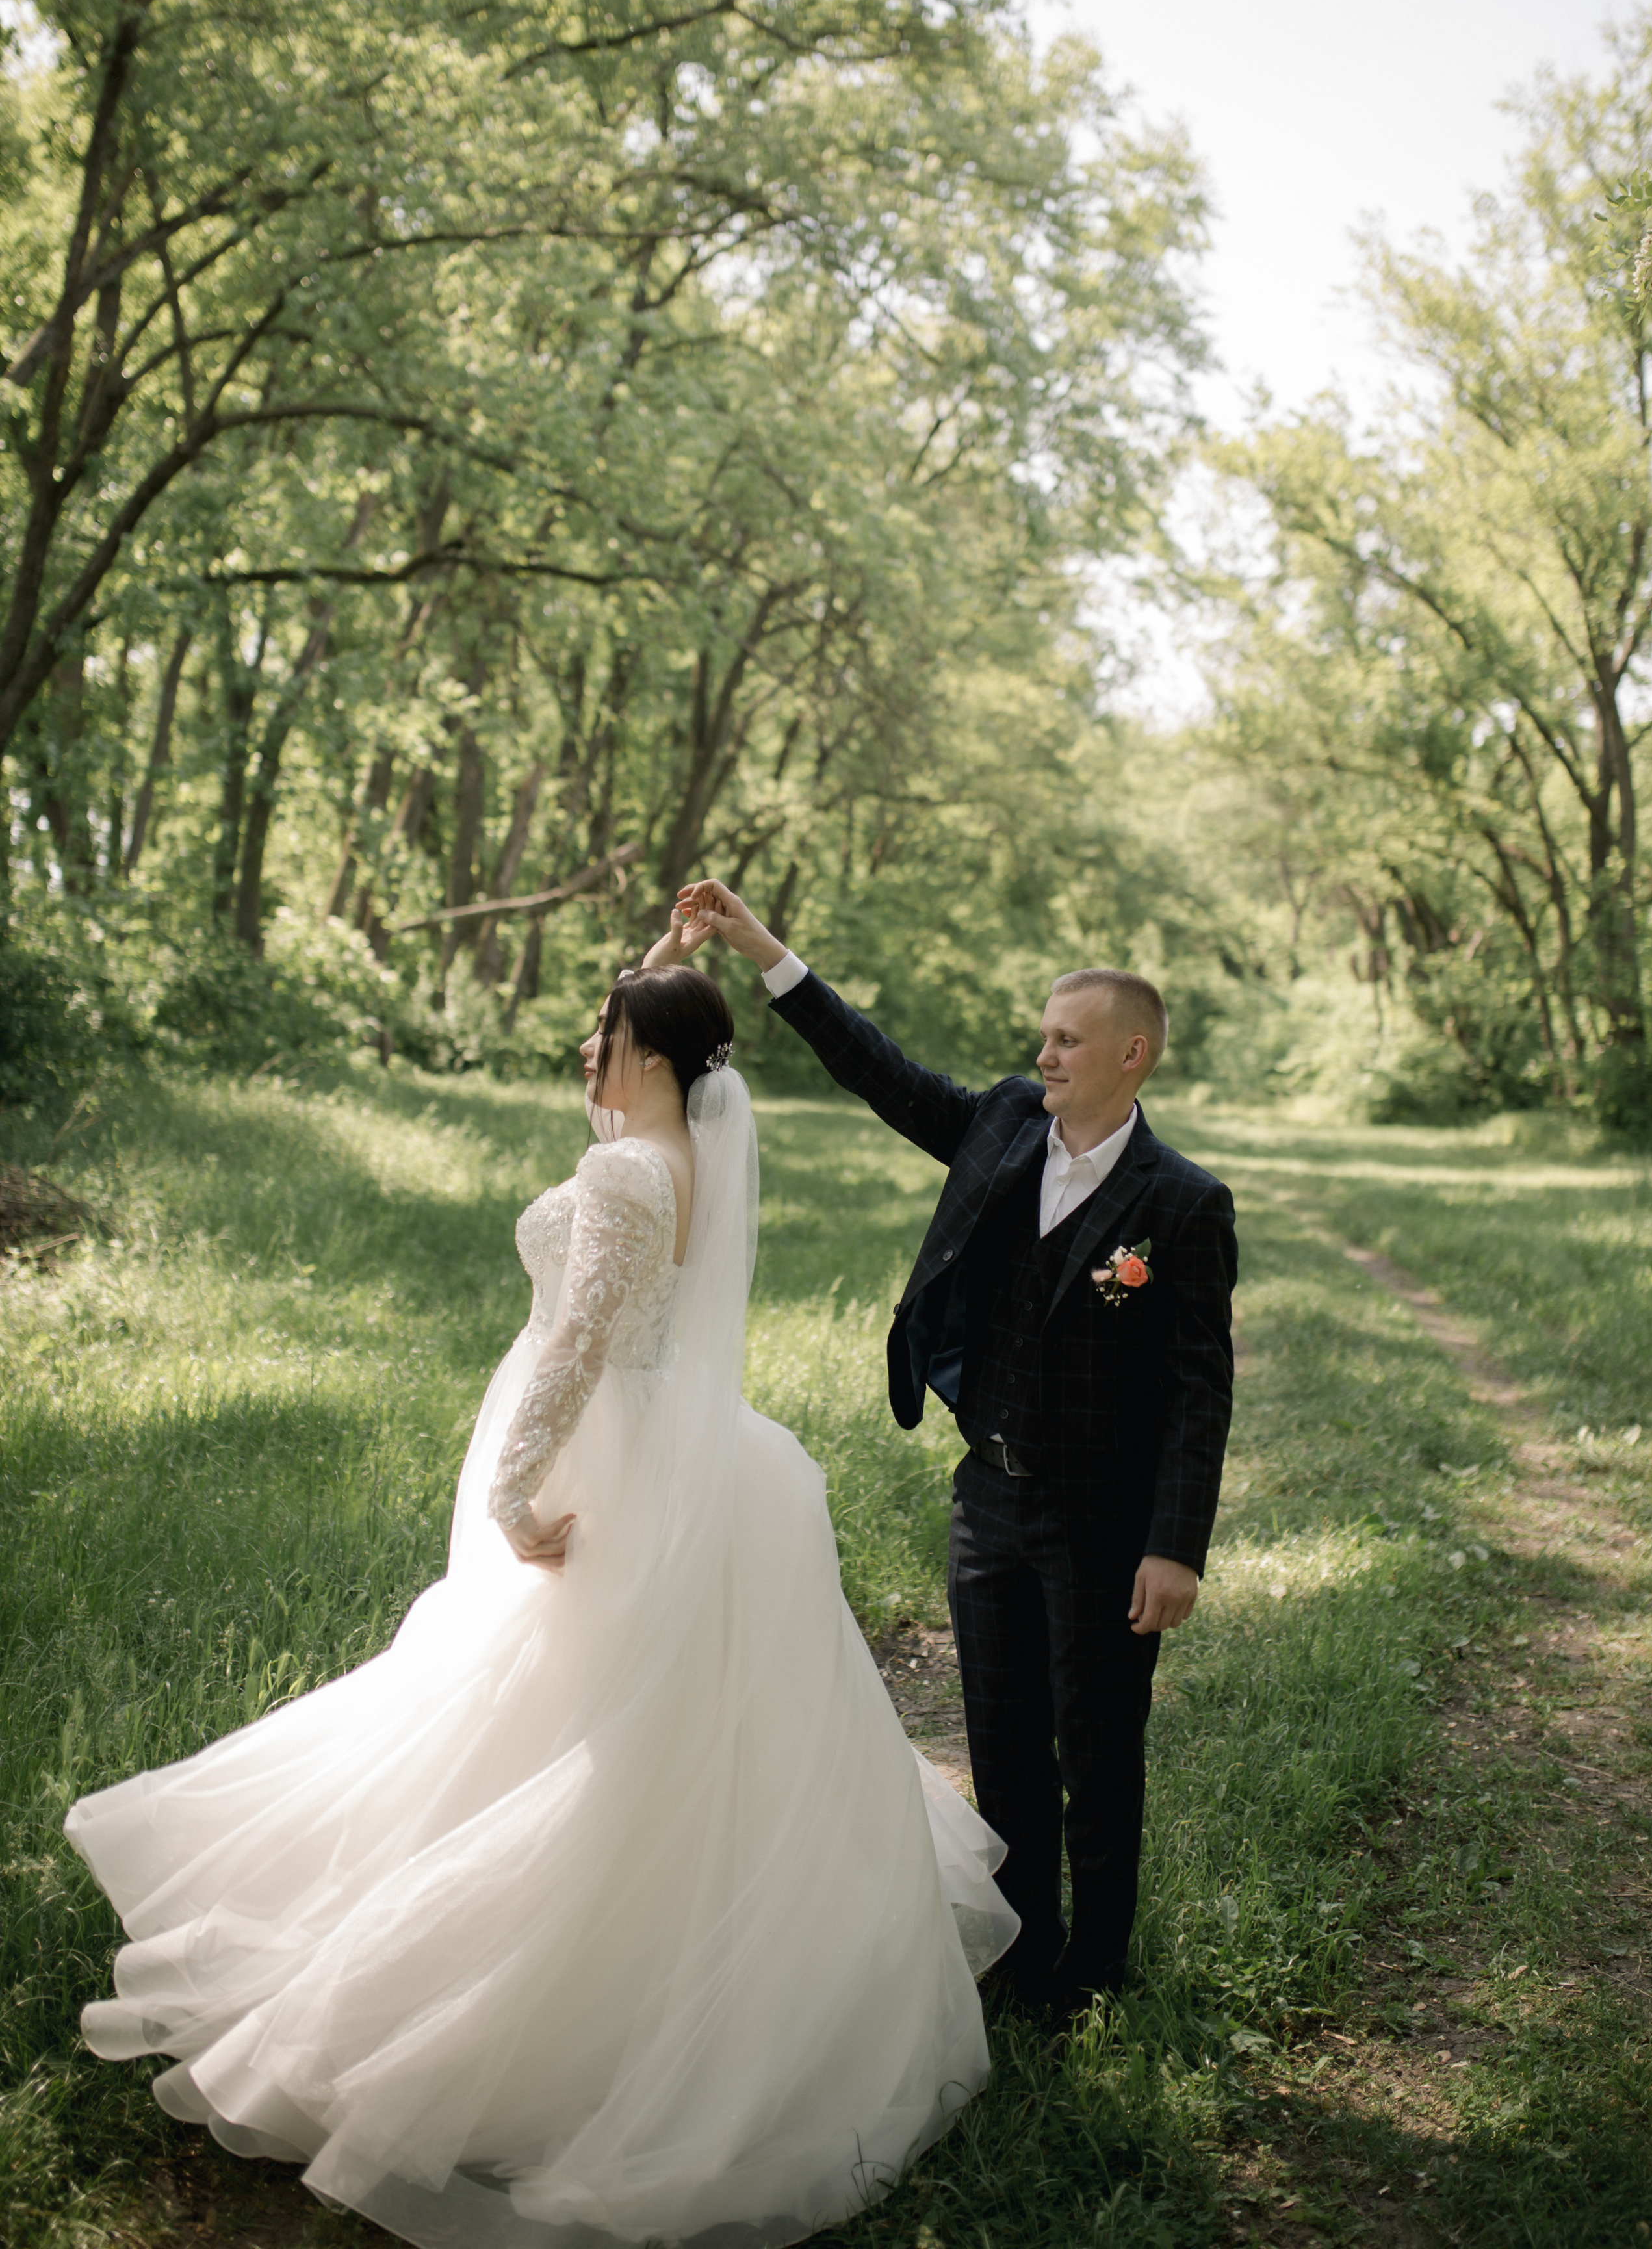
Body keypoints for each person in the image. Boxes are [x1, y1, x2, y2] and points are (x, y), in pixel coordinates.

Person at [66, 953, 1018, 2249]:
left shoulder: (631, 1168)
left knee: (552, 1712)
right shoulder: (674, 1147)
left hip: (604, 1456)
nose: (587, 1050)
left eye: (605, 1032)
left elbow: (577, 1339)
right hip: (673, 1442)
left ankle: (522, 2014)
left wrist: (516, 1489)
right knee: (639, 1723)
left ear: (656, 1054)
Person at [677, 880, 1237, 2020]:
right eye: (1043, 1035)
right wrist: (760, 948)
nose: (1047, 1054)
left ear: (1133, 1054)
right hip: (989, 1500)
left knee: (1098, 1746)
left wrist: (1174, 1547)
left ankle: (1097, 1969)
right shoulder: (1002, 1125)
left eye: (1068, 1039)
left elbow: (1198, 1392)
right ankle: (1024, 1950)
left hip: (1102, 1517)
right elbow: (877, 1069)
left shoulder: (1182, 1204)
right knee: (1004, 1742)